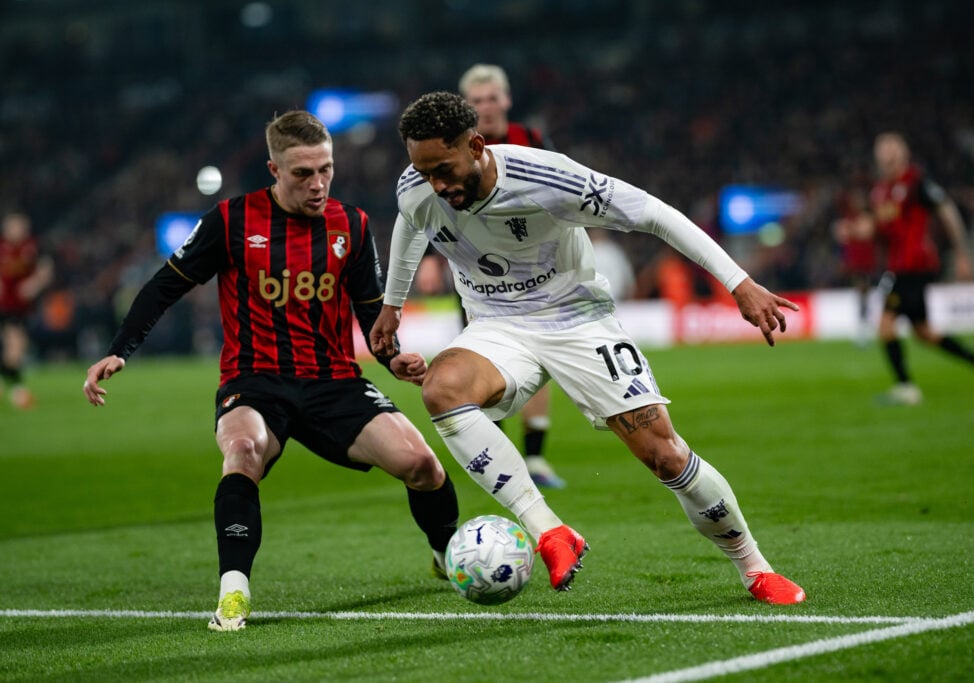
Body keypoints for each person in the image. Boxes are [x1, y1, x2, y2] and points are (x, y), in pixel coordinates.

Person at [371, 91, 806, 604]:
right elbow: (410, 222)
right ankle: (549, 530)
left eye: (443, 169)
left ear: (477, 145)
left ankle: (754, 567)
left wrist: (738, 282)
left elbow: (655, 214)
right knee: (443, 390)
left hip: (579, 321)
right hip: (498, 324)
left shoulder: (547, 179)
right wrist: (392, 305)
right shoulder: (417, 187)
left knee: (664, 455)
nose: (436, 185)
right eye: (424, 173)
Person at [83, 111, 460, 631]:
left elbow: (370, 309)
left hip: (334, 380)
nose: (318, 183)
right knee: (243, 453)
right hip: (254, 380)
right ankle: (233, 592)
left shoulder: (352, 224)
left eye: (325, 169)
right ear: (273, 170)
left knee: (422, 465)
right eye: (303, 173)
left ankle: (447, 553)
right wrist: (121, 348)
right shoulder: (232, 220)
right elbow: (167, 283)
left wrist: (394, 357)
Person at [459, 63, 564, 489]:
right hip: (474, 272)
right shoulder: (458, 147)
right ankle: (503, 460)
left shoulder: (531, 140)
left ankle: (535, 460)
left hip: (534, 270)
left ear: (506, 99)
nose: (485, 107)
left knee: (540, 357)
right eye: (477, 100)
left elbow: (561, 188)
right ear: (467, 106)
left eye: (491, 98)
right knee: (485, 363)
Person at [856, 132, 974, 405]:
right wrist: (861, 230)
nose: (887, 153)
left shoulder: (916, 183)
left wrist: (962, 253)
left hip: (914, 266)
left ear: (904, 152)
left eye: (892, 147)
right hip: (898, 266)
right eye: (882, 148)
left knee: (885, 324)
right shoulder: (880, 192)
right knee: (924, 332)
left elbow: (946, 209)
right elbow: (882, 230)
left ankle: (906, 388)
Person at [0, 212, 54, 409]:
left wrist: (35, 284)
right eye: (14, 226)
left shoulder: (31, 246)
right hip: (5, 307)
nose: (19, 229)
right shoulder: (3, 248)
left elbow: (46, 270)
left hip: (23, 308)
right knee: (15, 347)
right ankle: (19, 392)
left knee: (14, 350)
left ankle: (9, 387)